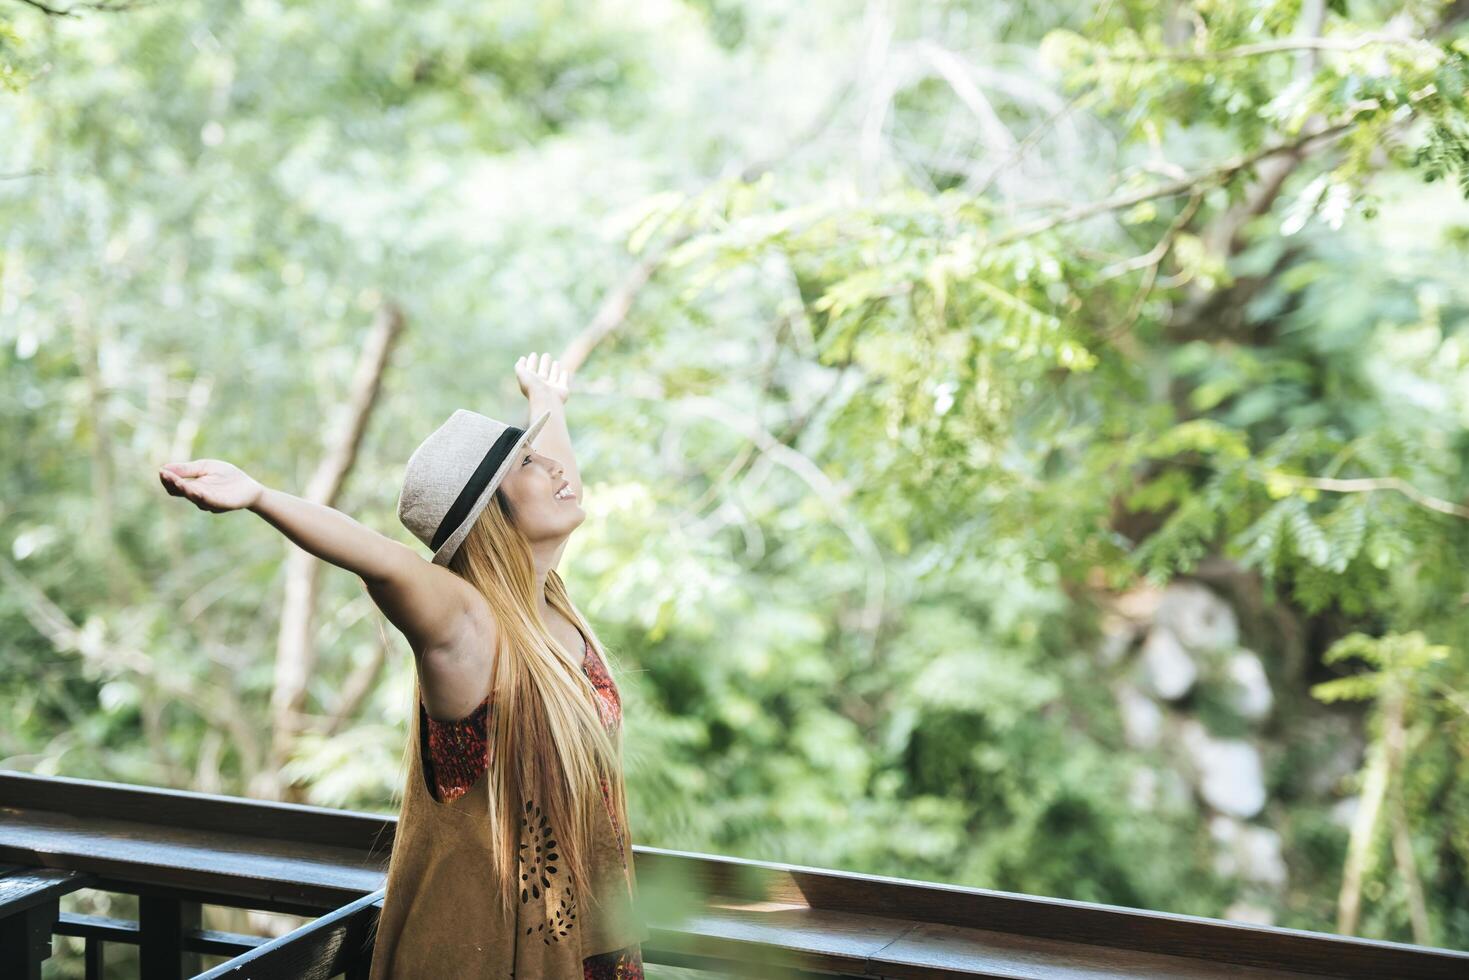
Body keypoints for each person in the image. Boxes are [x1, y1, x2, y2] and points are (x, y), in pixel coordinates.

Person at [158, 352, 648, 978]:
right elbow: (385, 560)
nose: (557, 467)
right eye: (529, 462)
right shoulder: (469, 629)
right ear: (492, 520)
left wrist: (545, 403)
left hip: (588, 934)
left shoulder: (547, 603)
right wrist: (259, 496)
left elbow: (561, 482)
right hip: (498, 952)